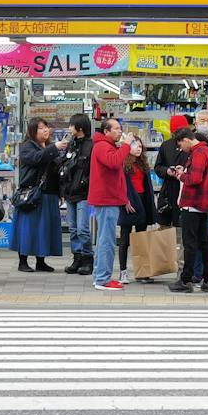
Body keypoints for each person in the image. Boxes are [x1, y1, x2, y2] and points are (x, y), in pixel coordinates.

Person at [167, 125, 208, 293]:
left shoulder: (198, 153)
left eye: (180, 144)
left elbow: (195, 178)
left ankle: (186, 280)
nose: (181, 148)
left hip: (193, 204)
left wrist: (181, 175)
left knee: (190, 243)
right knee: (204, 243)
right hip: (204, 204)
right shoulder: (207, 152)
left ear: (186, 140)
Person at [86, 116, 132, 293]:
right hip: (107, 199)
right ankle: (103, 279)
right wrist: (126, 146)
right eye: (116, 129)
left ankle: (100, 276)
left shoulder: (105, 146)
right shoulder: (103, 146)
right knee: (107, 240)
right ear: (106, 131)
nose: (120, 132)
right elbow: (114, 162)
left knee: (104, 239)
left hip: (108, 198)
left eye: (120, 128)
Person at [13, 118, 63, 274]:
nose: (45, 130)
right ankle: (23, 261)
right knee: (28, 228)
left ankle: (41, 261)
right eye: (41, 128)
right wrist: (54, 148)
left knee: (44, 229)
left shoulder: (49, 146)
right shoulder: (27, 146)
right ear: (33, 131)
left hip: (49, 193)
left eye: (46, 127)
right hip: (32, 194)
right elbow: (36, 158)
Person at [119, 131, 157, 282]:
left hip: (142, 200)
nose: (138, 149)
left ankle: (142, 272)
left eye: (140, 146)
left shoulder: (143, 164)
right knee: (125, 239)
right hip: (128, 201)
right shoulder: (123, 163)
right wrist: (125, 200)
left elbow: (146, 185)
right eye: (135, 146)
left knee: (141, 238)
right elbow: (120, 184)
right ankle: (123, 271)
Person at [61, 112, 94, 275]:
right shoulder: (71, 144)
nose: (69, 128)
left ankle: (88, 258)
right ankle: (77, 257)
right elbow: (65, 164)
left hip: (83, 193)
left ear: (80, 127)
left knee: (82, 228)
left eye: (71, 125)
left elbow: (93, 170)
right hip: (70, 192)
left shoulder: (91, 145)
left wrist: (84, 182)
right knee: (73, 228)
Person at [153, 113, 190, 227]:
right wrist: (167, 171)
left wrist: (184, 171)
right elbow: (158, 167)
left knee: (183, 224)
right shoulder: (166, 145)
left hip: (186, 189)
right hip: (168, 190)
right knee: (165, 225)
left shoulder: (191, 145)